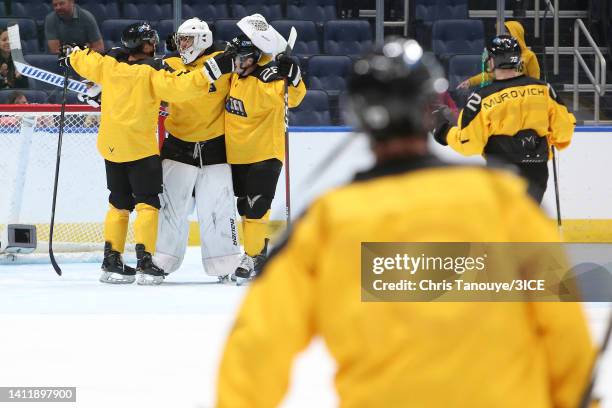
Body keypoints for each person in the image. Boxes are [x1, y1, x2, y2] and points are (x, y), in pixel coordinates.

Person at [215, 38, 594, 408]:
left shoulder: (328, 220)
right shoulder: (506, 203)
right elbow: (564, 329)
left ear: (358, 115)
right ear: (427, 109)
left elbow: (258, 345)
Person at [65, 21, 235, 285]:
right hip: (139, 149)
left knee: (118, 203)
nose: (156, 45)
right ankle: (145, 262)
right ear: (144, 45)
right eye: (151, 41)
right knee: (148, 205)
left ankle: (111, 262)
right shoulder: (153, 73)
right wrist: (211, 72)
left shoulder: (108, 66)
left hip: (111, 147)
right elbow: (183, 88)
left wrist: (71, 53)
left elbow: (82, 60)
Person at [433, 34, 575, 204]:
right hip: (537, 170)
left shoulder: (481, 98)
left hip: (501, 171)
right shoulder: (544, 90)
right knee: (527, 221)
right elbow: (564, 131)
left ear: (492, 61)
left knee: (504, 226)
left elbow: (469, 144)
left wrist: (446, 133)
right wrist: (544, 140)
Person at [153, 17, 241, 281]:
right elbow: (141, 84)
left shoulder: (226, 65)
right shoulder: (168, 65)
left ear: (203, 39)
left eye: (187, 39)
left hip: (216, 148)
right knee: (170, 208)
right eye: (180, 39)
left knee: (219, 208)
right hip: (178, 145)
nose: (182, 45)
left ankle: (225, 264)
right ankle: (162, 261)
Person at [221, 15, 306, 284]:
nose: (237, 63)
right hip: (235, 155)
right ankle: (257, 251)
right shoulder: (233, 78)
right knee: (243, 207)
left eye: (242, 58)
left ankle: (252, 255)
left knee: (257, 208)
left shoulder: (269, 78)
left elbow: (294, 98)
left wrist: (293, 77)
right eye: (235, 58)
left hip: (265, 155)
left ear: (256, 57)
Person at [457, 20, 540, 89]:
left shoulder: (529, 56)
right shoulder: (501, 55)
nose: (501, 35)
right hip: (504, 96)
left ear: (515, 34)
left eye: (506, 32)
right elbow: (490, 75)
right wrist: (470, 82)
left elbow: (535, 81)